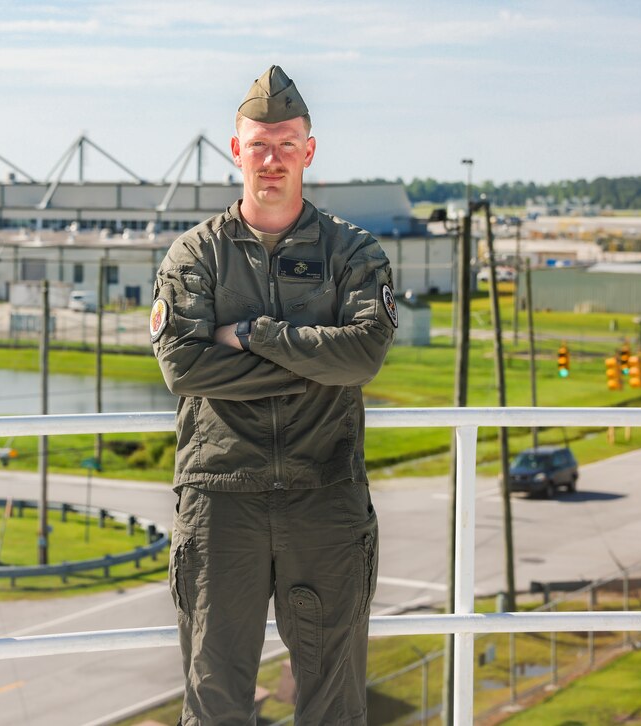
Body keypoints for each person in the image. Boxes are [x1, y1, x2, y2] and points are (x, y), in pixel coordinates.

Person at [150, 65, 398, 725]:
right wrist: (318, 361)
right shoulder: (195, 256)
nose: (272, 158)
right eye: (259, 144)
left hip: (325, 499)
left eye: (287, 143)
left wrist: (255, 333)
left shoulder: (353, 253)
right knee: (215, 702)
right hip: (219, 501)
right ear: (236, 150)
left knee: (333, 702)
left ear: (309, 151)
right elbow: (183, 368)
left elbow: (364, 354)